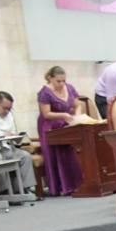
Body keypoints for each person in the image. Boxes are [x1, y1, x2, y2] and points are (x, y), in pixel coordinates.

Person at [35, 67, 82, 197]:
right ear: (50, 78)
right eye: (58, 81)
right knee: (54, 154)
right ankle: (59, 186)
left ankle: (74, 184)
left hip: (66, 122)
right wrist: (64, 115)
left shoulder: (70, 88)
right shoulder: (44, 93)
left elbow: (77, 105)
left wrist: (77, 116)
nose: (61, 84)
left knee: (70, 152)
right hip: (49, 125)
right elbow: (46, 113)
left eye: (63, 81)